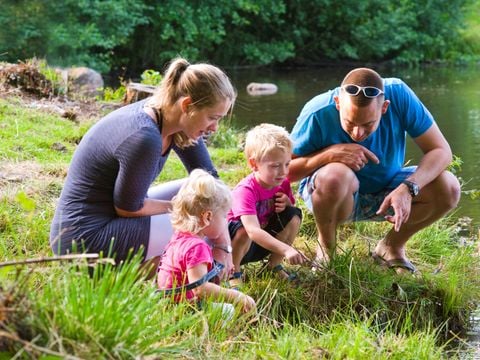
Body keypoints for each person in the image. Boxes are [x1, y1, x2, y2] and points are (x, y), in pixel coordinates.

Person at [50, 57, 236, 275]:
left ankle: (181, 266)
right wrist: (183, 208)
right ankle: (192, 276)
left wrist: (224, 245)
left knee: (205, 192)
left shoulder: (170, 117)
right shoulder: (144, 136)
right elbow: (129, 208)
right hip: (82, 240)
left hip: (110, 219)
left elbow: (212, 181)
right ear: (187, 105)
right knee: (198, 216)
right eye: (212, 118)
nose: (215, 127)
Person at [288, 67, 461, 273]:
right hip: (335, 195)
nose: (357, 133)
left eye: (368, 124)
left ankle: (391, 246)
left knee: (449, 187)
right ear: (337, 103)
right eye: (349, 123)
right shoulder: (316, 112)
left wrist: (408, 187)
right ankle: (326, 248)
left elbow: (441, 151)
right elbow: (284, 173)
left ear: (384, 107)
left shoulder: (399, 96)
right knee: (335, 175)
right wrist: (329, 154)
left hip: (387, 189)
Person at [157, 169, 256, 314]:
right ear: (207, 217)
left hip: (169, 305)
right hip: (186, 309)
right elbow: (201, 289)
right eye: (223, 216)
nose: (225, 222)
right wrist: (237, 296)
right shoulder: (197, 247)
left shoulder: (179, 237)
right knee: (232, 310)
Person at [227, 124, 305, 285]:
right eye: (275, 166)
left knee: (294, 215)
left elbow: (289, 212)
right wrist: (286, 249)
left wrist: (288, 203)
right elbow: (253, 231)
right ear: (254, 164)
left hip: (263, 241)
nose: (283, 171)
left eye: (287, 164)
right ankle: (232, 273)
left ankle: (274, 266)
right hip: (233, 246)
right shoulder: (245, 190)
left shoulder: (282, 183)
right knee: (243, 230)